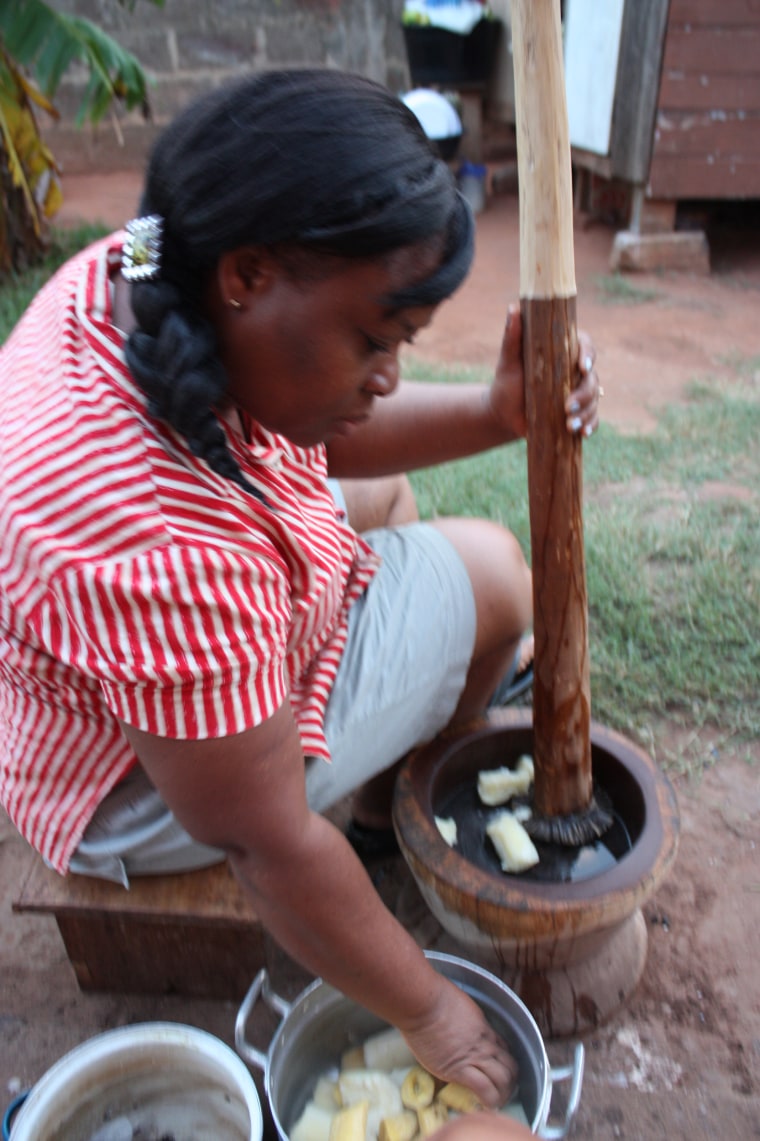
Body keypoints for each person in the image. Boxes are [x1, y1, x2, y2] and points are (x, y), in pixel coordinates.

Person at [0, 69, 600, 1108]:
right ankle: (378, 819)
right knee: (498, 577)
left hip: (87, 701)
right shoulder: (160, 547)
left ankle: (377, 785)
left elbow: (318, 439)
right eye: (375, 341)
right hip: (135, 793)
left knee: (392, 497)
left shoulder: (147, 272)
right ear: (248, 273)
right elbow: (263, 840)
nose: (388, 376)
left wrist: (506, 410)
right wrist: (432, 1014)